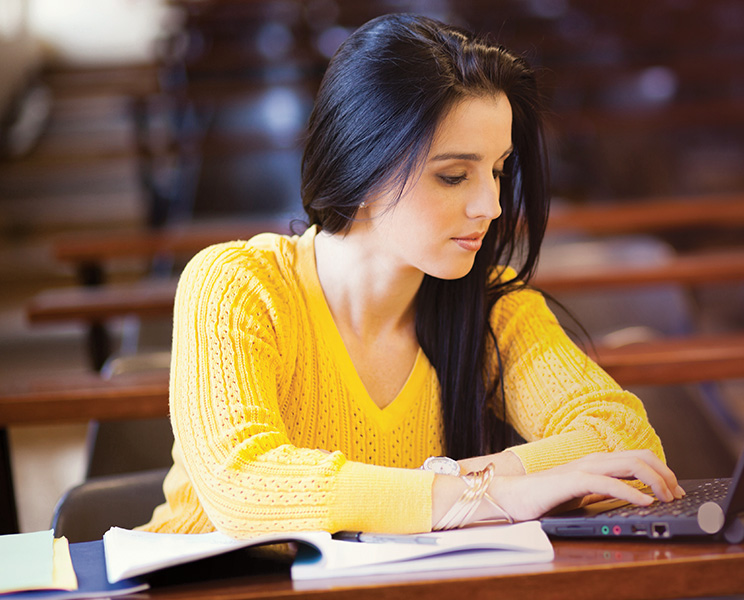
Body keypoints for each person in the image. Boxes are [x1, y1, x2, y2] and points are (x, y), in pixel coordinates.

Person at [139, 13, 683, 538]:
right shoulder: (238, 284)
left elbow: (622, 435)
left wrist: (472, 485)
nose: (491, 206)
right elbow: (245, 483)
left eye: (497, 171)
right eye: (453, 176)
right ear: (362, 165)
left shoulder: (495, 306)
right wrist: (487, 497)